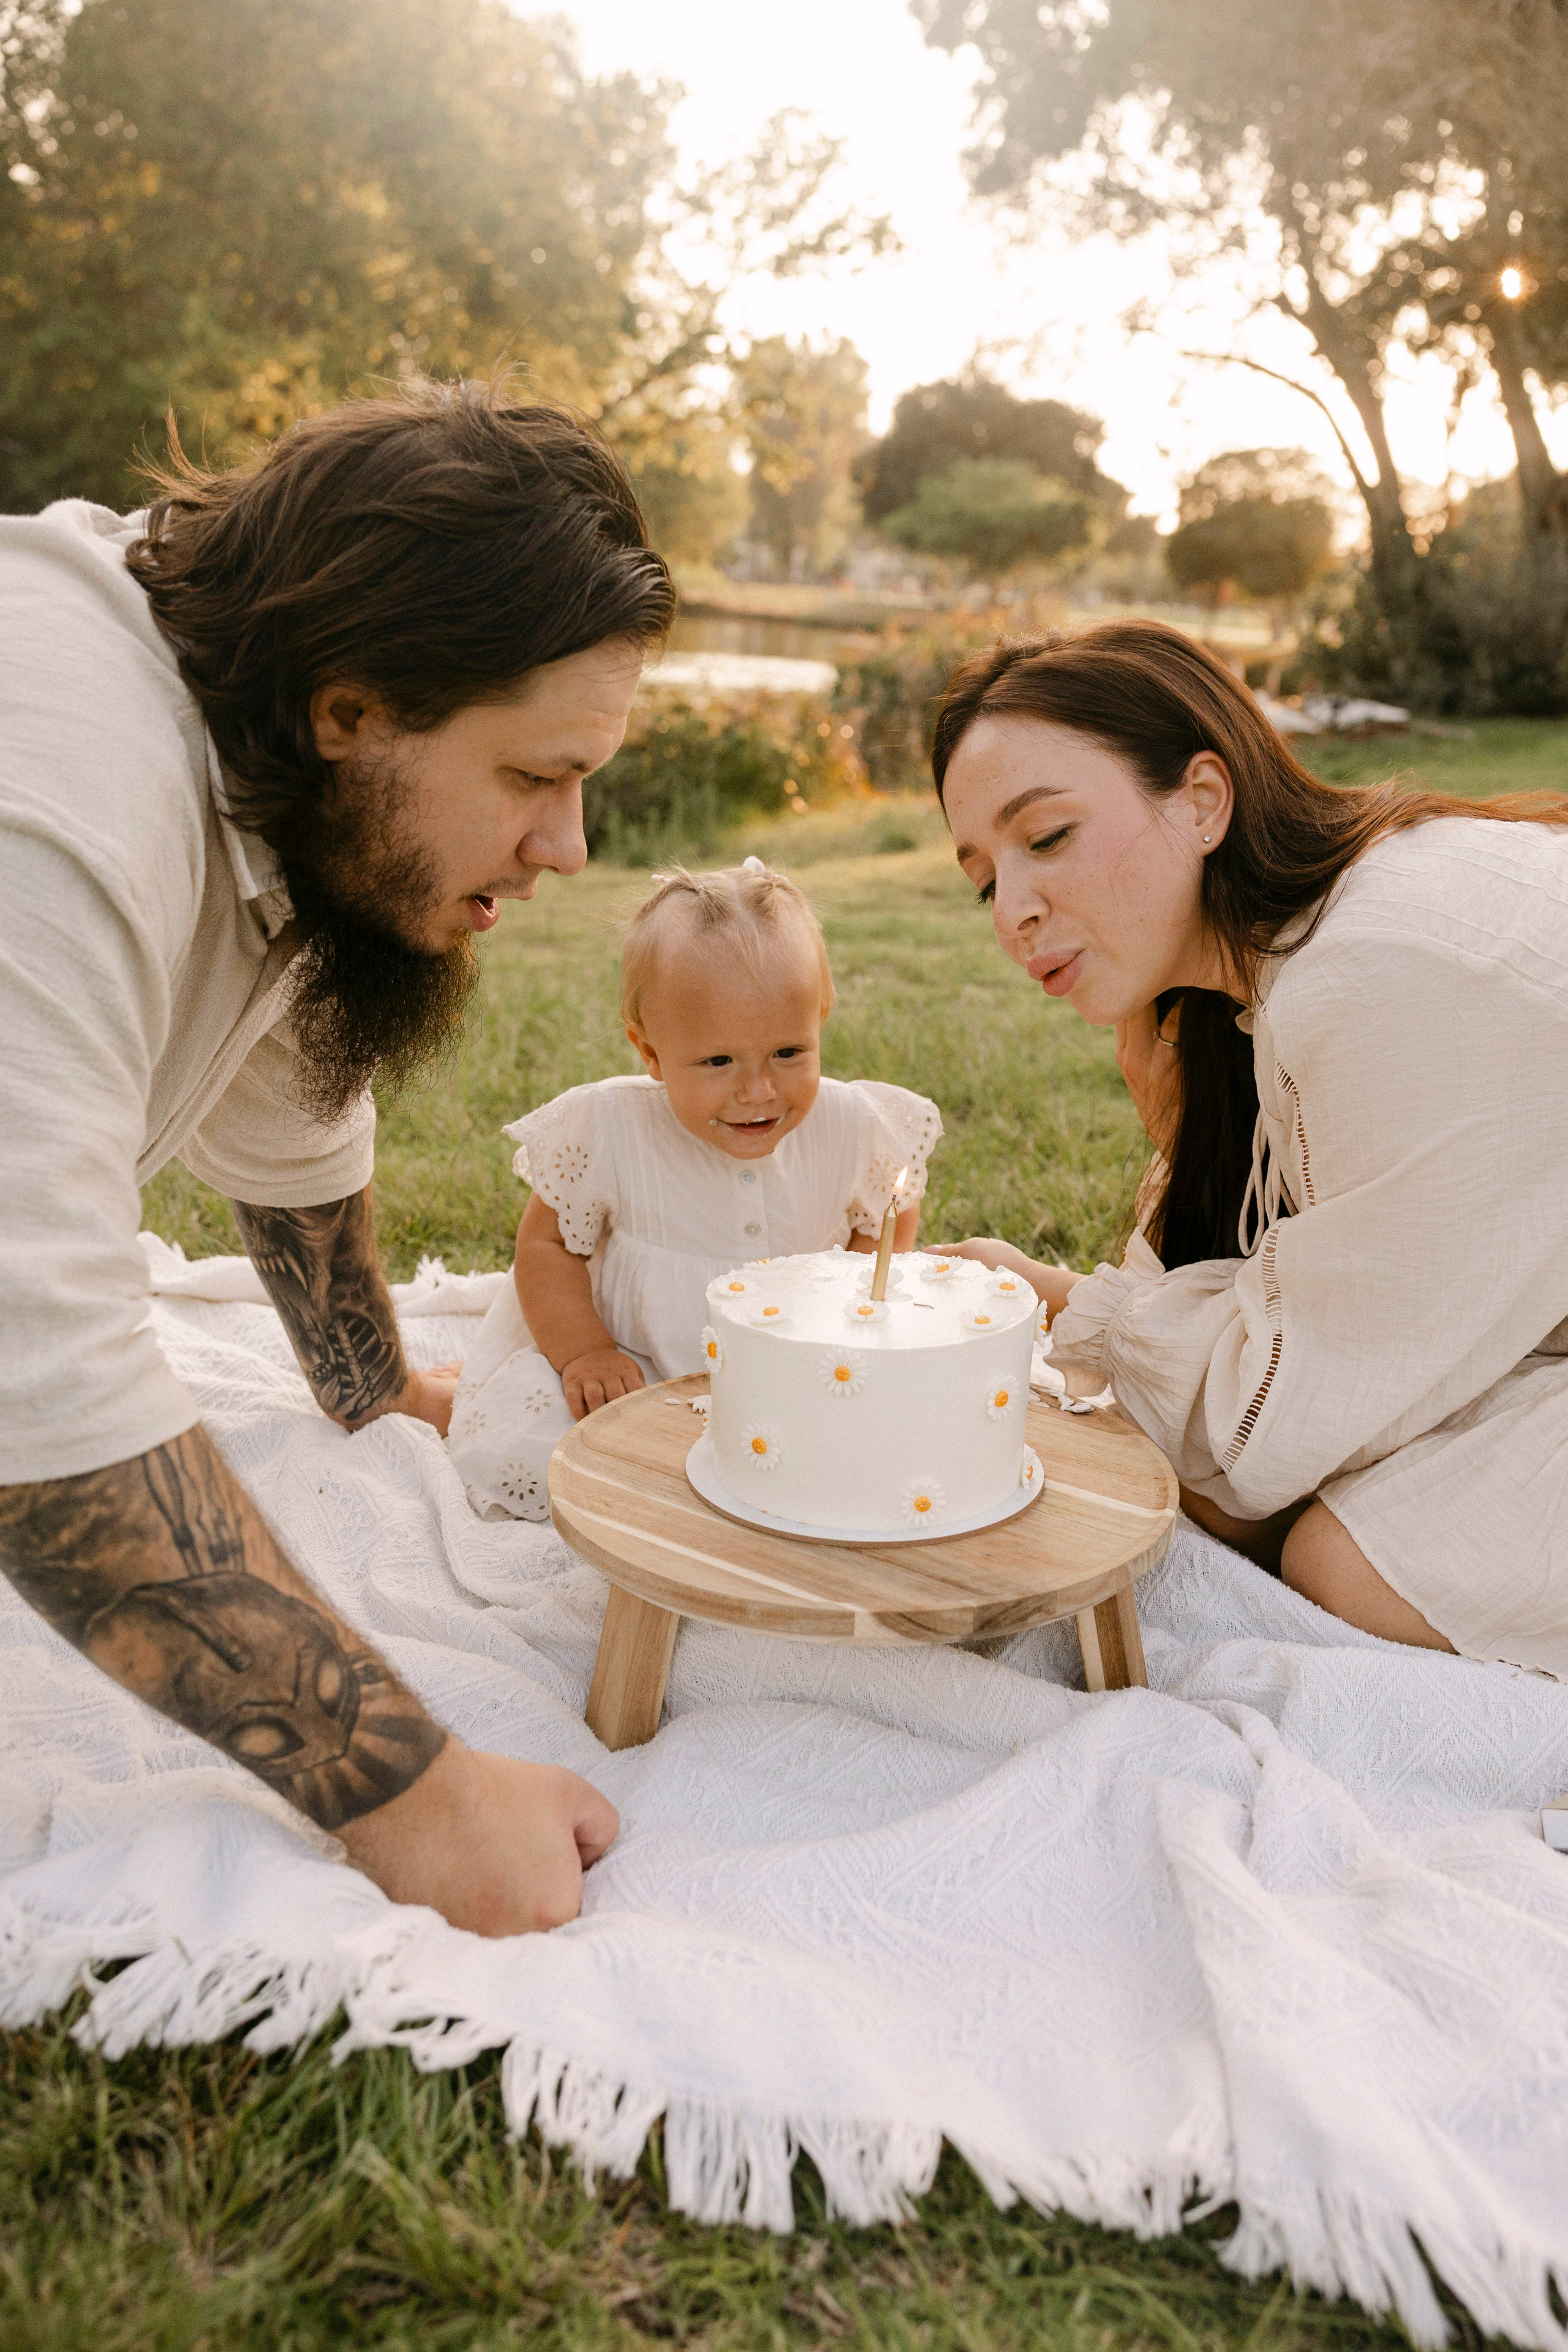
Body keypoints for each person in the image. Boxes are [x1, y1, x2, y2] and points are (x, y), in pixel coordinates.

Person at [0, 377, 676, 1934]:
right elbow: (33, 1376)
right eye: (533, 777)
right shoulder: (53, 792)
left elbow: (288, 1095)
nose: (569, 848)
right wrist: (421, 1808)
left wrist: (367, 1379)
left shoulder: (260, 765)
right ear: (353, 708)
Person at [929, 621, 1568, 1678]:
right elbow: (1273, 1295)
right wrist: (1178, 1138)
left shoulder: (1367, 972)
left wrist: (1047, 1295)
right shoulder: (1266, 972)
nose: (1017, 910)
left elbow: (1265, 1437)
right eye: (985, 878)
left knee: (1340, 1560)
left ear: (1204, 800)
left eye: (1044, 838)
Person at [448, 859, 941, 1518]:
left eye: (789, 1053)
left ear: (819, 1019)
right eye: (717, 1062)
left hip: (797, 1380)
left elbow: (887, 1213)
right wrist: (584, 1352)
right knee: (543, 1439)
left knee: (895, 1443)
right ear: (649, 1053)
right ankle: (447, 1399)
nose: (758, 1090)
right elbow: (546, 1245)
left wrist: (857, 1293)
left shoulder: (850, 1125)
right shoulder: (611, 1128)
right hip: (640, 1373)